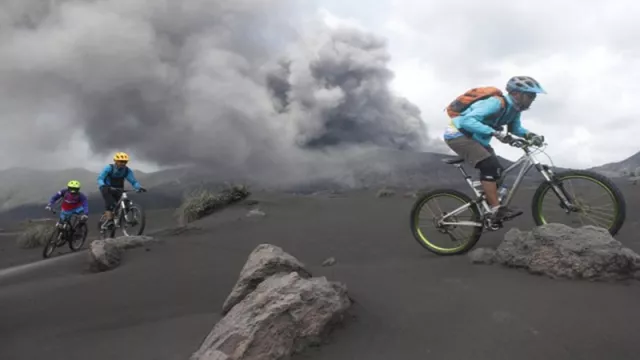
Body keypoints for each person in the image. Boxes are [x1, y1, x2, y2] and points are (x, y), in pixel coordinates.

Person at [443, 76, 546, 221]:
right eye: (530, 95)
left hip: (477, 139)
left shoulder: (515, 110)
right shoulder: (495, 103)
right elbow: (467, 120)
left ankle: (485, 204)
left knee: (498, 171)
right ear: (516, 93)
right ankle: (496, 209)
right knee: (489, 167)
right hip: (457, 135)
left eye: (534, 96)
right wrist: (495, 133)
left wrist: (530, 136)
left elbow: (515, 128)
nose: (533, 98)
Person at [97, 152, 146, 229]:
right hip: (107, 188)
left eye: (125, 162)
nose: (123, 163)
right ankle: (109, 220)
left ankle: (121, 219)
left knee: (124, 204)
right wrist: (103, 185)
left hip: (118, 189)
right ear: (116, 161)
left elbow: (133, 181)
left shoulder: (126, 170)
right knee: (111, 203)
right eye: (121, 161)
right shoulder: (109, 168)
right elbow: (100, 178)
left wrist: (138, 187)